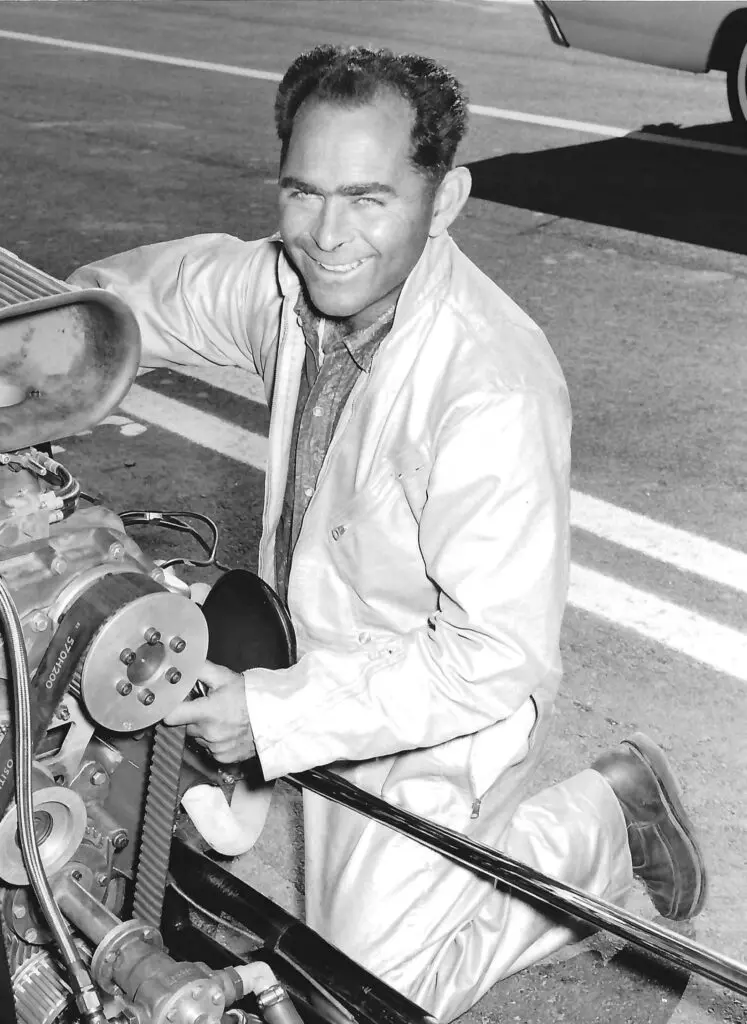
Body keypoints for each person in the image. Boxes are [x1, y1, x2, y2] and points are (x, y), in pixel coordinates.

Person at [69, 45, 706, 1022]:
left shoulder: (489, 382)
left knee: (357, 998)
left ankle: (608, 818)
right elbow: (146, 297)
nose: (327, 235)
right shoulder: (291, 284)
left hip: (441, 700)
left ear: (445, 198)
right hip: (305, 653)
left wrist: (274, 719)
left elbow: (498, 654)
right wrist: (41, 330)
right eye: (303, 193)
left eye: (368, 198)